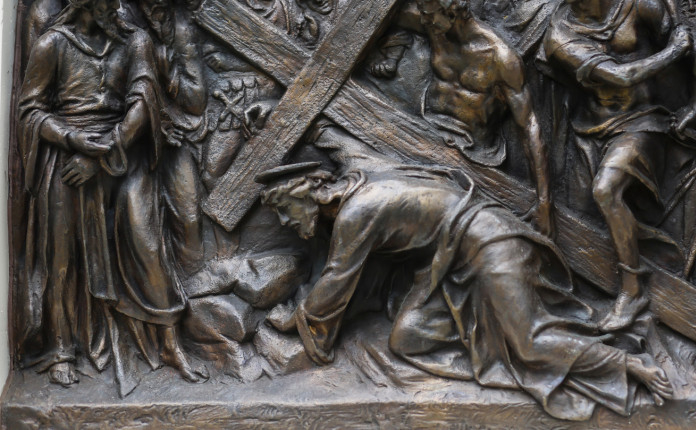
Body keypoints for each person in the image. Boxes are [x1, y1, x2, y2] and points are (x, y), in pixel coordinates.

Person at [259, 163, 673, 421]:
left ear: (309, 191)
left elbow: (337, 277)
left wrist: (299, 321)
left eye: (283, 209)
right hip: (451, 266)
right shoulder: (361, 184)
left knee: (528, 345)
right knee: (406, 338)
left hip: (492, 246)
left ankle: (629, 365)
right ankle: (490, 337)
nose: (284, 222)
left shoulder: (357, 211)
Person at [18, 0, 200, 395]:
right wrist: (73, 140)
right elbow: (31, 110)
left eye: (116, 0)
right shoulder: (52, 45)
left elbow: (144, 98)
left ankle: (170, 342)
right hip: (67, 155)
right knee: (62, 257)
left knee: (147, 243)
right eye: (105, 1)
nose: (114, 8)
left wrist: (108, 151)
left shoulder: (133, 41)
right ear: (84, 1)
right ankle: (63, 349)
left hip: (123, 151)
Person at [542, 0, 696, 331]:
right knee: (585, 213)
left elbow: (687, 41)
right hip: (593, 127)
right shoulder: (559, 35)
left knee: (606, 190)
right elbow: (620, 75)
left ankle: (632, 290)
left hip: (646, 119)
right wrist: (673, 52)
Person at [394, 0, 553, 235]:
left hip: (472, 153)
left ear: (452, 12)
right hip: (425, 131)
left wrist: (544, 203)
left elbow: (529, 128)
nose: (423, 19)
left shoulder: (501, 59)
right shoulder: (434, 26)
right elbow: (376, 10)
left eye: (429, 14)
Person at [129, 0, 207, 274]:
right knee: (137, 222)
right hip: (131, 138)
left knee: (189, 216)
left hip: (178, 136)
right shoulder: (123, 28)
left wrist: (168, 71)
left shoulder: (182, 29)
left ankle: (195, 282)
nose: (160, 2)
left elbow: (196, 101)